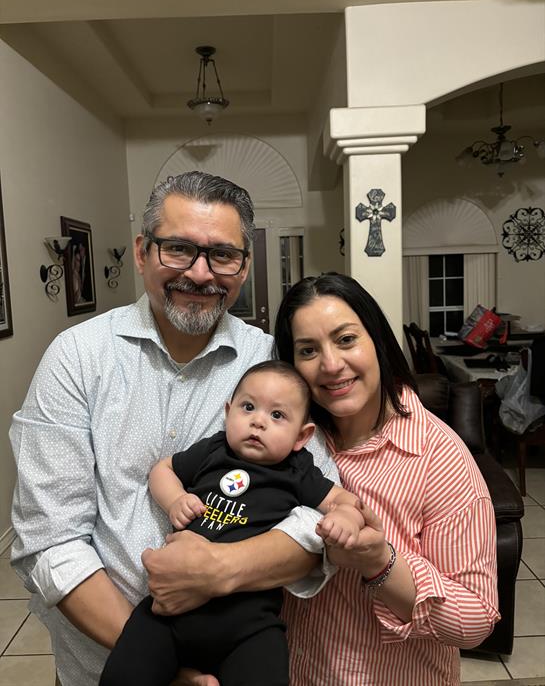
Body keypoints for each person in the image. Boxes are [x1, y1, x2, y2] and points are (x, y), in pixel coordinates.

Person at [10, 172, 338, 686]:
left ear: (244, 266)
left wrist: (220, 568)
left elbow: (314, 520)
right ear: (142, 252)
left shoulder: (272, 366)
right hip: (102, 669)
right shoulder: (76, 357)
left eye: (222, 255)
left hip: (238, 661)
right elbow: (51, 541)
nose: (200, 274)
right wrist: (155, 660)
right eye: (179, 249)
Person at [274, 273, 500, 686]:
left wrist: (380, 563)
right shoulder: (289, 442)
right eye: (308, 350)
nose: (331, 365)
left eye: (346, 339)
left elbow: (475, 620)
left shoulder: (437, 456)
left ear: (377, 340)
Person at [100, 360, 364, 686]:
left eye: (277, 415)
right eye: (248, 407)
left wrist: (344, 516)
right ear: (228, 412)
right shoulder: (214, 450)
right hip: (168, 613)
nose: (258, 421)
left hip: (248, 624)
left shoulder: (297, 470)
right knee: (122, 675)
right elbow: (162, 470)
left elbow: (345, 501)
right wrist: (175, 500)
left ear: (302, 436)